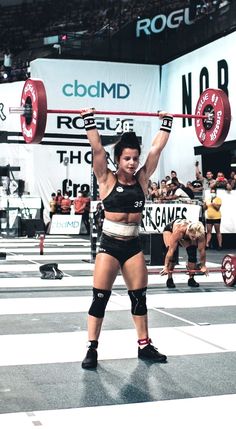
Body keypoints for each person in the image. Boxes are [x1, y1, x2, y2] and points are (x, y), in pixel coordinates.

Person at [80, 108, 173, 369]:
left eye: (134, 159)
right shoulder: (106, 179)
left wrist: (167, 123)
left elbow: (155, 151)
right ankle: (92, 348)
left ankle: (144, 346)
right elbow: (97, 149)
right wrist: (89, 120)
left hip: (132, 247)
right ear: (118, 160)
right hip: (109, 246)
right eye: (127, 159)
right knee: (100, 298)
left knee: (139, 298)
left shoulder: (142, 179)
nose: (132, 163)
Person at [161, 219, 208, 288]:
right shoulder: (179, 231)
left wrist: (203, 265)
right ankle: (169, 279)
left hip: (186, 234)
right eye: (193, 237)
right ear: (189, 231)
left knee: (192, 253)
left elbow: (202, 251)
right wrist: (165, 267)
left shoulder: (200, 233)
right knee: (173, 254)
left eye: (196, 237)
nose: (194, 239)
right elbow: (170, 251)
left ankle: (191, 279)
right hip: (170, 230)